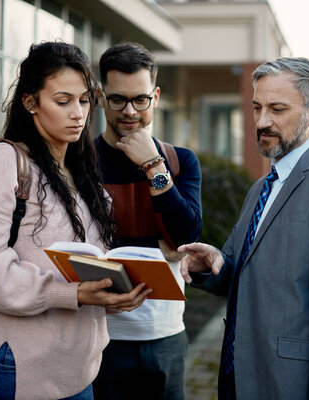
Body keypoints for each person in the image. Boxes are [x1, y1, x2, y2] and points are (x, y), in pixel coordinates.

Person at [179, 57, 309, 400]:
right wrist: (215, 264)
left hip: (288, 385)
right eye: (256, 107)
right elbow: (242, 271)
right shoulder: (261, 187)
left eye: (277, 109)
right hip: (238, 377)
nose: (262, 121)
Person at [0, 42, 150, 400]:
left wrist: (115, 290)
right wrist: (72, 293)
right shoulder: (3, 162)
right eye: (63, 101)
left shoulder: (82, 173)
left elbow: (90, 263)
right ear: (30, 102)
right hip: (18, 367)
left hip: (80, 369)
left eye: (84, 100)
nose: (78, 114)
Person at [91, 42, 202, 400]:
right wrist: (156, 247)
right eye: (117, 99)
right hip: (100, 333)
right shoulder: (81, 162)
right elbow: (80, 246)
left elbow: (185, 238)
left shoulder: (181, 161)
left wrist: (153, 167)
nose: (129, 111)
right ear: (100, 96)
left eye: (140, 100)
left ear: (155, 96)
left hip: (166, 333)